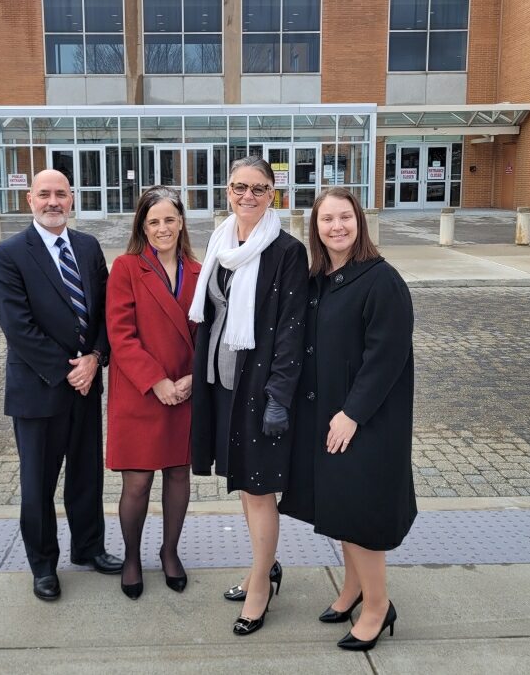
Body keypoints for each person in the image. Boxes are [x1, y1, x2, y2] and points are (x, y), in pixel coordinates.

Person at [279, 187, 417, 652]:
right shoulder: (321, 279)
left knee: (360, 516)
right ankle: (352, 590)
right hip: (328, 415)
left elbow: (387, 356)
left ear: (359, 222)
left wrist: (353, 414)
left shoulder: (382, 280)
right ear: (314, 229)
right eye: (326, 220)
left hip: (366, 420)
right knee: (339, 510)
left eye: (345, 218)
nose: (336, 227)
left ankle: (378, 606)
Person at [0, 169, 123, 602]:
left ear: (72, 199)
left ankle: (88, 549)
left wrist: (96, 358)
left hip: (86, 386)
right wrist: (70, 369)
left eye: (60, 194)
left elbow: (105, 311)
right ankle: (43, 565)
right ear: (29, 200)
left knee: (86, 477)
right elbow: (18, 326)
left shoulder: (87, 247)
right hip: (39, 389)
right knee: (38, 484)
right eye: (44, 194)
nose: (53, 202)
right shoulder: (9, 254)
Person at [189, 156, 308, 636]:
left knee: (259, 488)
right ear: (227, 190)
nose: (248, 197)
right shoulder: (221, 242)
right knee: (243, 481)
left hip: (259, 391)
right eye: (240, 187)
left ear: (272, 195)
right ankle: (265, 565)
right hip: (222, 387)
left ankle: (261, 586)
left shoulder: (286, 252)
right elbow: (211, 314)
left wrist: (279, 394)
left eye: (259, 189)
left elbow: (291, 331)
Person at [105, 186, 202, 600]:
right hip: (142, 392)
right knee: (138, 483)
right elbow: (121, 336)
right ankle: (131, 557)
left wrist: (193, 378)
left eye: (169, 219)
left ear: (181, 222)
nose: (163, 228)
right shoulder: (126, 268)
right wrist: (157, 381)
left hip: (184, 390)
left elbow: (211, 334)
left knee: (179, 474)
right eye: (154, 222)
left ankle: (169, 551)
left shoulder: (200, 271)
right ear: (142, 228)